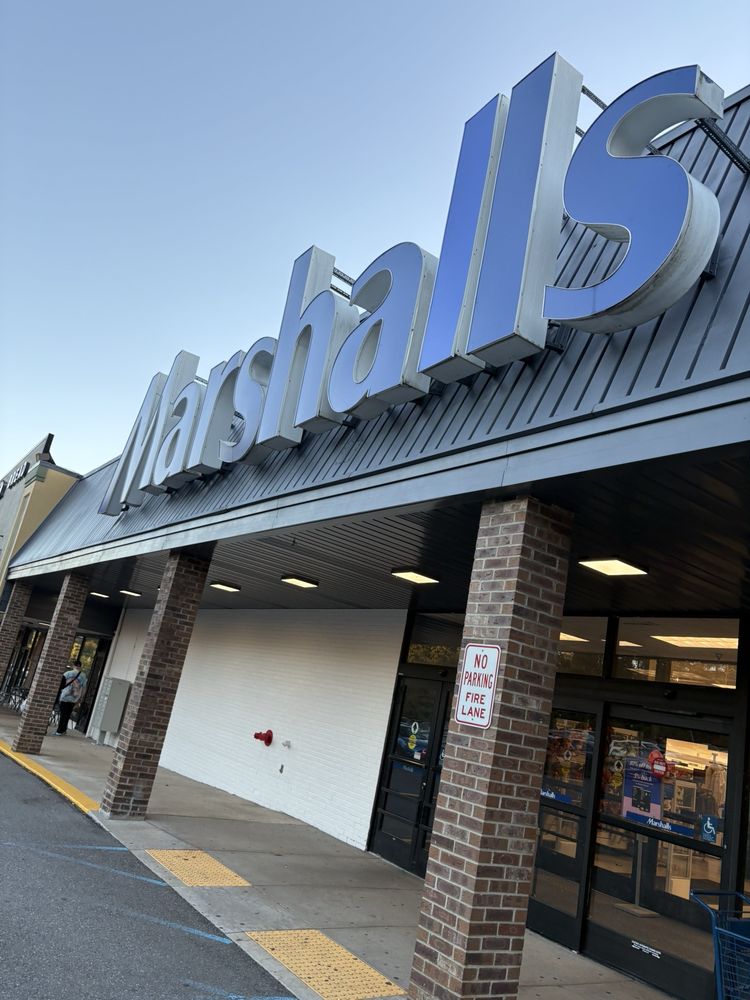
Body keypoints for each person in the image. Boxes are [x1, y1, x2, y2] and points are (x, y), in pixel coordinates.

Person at [53, 661, 87, 735]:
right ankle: (64, 729)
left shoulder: (67, 673)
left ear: (73, 666)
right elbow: (84, 688)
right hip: (74, 698)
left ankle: (60, 730)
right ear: (80, 666)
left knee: (63, 714)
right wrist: (81, 698)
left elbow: (61, 684)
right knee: (68, 714)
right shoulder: (83, 676)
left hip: (64, 697)